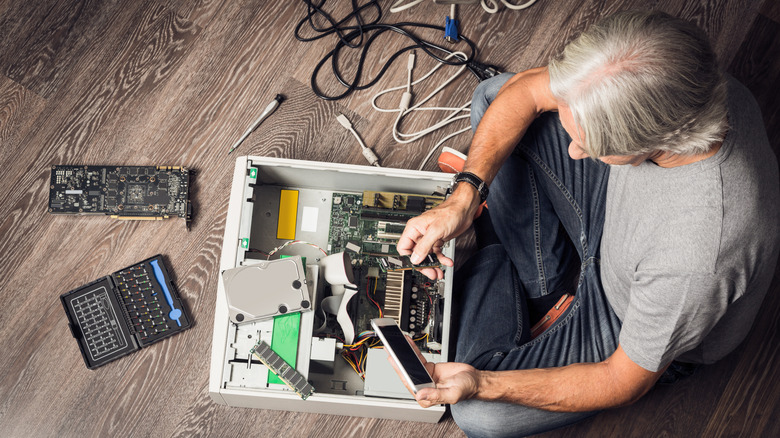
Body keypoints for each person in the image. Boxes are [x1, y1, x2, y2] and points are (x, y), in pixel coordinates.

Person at [395, 10, 780, 437]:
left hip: (626, 312)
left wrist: (482, 383)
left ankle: (500, 257)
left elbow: (621, 380)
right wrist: (465, 196)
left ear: (652, 142)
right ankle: (544, 285)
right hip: (619, 216)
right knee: (494, 95)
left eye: (589, 144)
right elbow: (525, 92)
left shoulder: (696, 260)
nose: (574, 151)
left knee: (479, 414)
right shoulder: (680, 79)